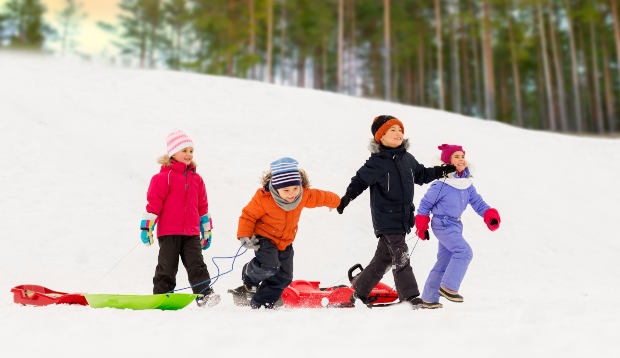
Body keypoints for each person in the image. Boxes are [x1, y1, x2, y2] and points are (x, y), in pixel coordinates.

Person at [336, 115, 456, 309]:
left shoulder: (407, 159)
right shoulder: (376, 162)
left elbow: (421, 175)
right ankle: (410, 297)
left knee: (383, 259)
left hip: (403, 218)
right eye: (393, 130)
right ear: (380, 136)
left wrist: (442, 171)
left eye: (400, 130)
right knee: (401, 255)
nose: (399, 133)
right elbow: (359, 181)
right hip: (386, 218)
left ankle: (359, 291)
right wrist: (347, 198)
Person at [232, 157, 340, 309]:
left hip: (286, 241)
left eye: (295, 188)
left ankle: (262, 302)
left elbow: (321, 197)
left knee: (285, 277)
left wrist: (336, 202)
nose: (292, 194)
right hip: (264, 239)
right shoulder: (263, 198)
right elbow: (248, 215)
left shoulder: (303, 195)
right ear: (276, 188)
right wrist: (244, 235)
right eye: (286, 190)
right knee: (270, 266)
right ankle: (249, 273)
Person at [140, 130, 220, 308]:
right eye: (184, 150)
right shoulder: (163, 178)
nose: (189, 155)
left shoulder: (197, 179)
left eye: (191, 151)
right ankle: (162, 296)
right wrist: (147, 227)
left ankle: (204, 295)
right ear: (172, 153)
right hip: (169, 232)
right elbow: (153, 204)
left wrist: (206, 230)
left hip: (191, 232)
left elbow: (202, 207)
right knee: (167, 266)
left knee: (196, 264)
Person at [415, 144, 501, 309]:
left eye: (462, 156)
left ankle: (429, 298)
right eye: (456, 157)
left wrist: (489, 215)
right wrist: (422, 224)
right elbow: (425, 204)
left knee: (445, 261)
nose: (461, 159)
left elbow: (477, 202)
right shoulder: (442, 184)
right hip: (442, 224)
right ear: (447, 162)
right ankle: (449, 287)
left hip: (455, 225)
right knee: (464, 251)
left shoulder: (466, 184)